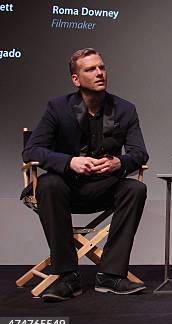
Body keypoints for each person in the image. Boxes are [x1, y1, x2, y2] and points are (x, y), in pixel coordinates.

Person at [22, 48, 148, 302]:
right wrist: (70, 162)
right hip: (66, 190)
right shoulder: (58, 107)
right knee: (48, 184)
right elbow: (31, 150)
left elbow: (140, 153)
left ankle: (111, 275)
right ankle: (67, 276)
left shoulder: (125, 109)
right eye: (90, 69)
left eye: (101, 67)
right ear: (76, 79)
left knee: (136, 188)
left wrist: (118, 163)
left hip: (104, 189)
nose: (100, 73)